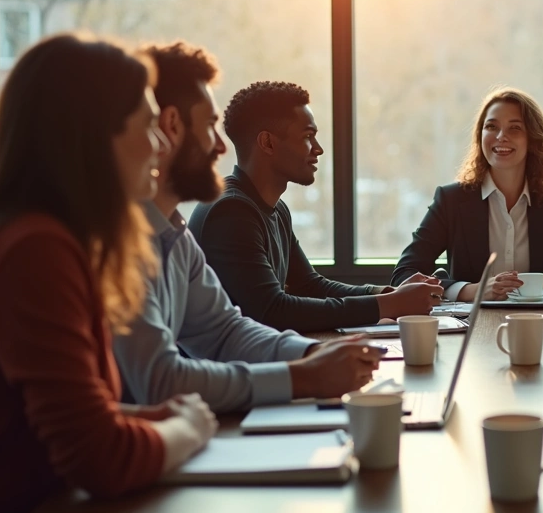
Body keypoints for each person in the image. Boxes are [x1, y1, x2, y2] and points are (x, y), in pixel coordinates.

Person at [0, 34, 217, 513]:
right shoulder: (32, 250)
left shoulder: (36, 237)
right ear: (95, 135)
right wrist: (188, 432)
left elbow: (42, 417)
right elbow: (97, 459)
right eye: (148, 126)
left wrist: (146, 418)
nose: (159, 145)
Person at [114, 43, 380, 414]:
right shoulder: (115, 245)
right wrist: (304, 376)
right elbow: (158, 382)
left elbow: (226, 331)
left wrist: (313, 353)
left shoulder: (175, 235)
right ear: (172, 126)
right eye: (210, 126)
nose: (222, 147)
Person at [189, 81, 443, 334]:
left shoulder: (275, 209)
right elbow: (271, 311)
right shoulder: (231, 213)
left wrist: (387, 293)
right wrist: (387, 305)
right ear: (267, 143)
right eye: (308, 137)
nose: (318, 149)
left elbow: (309, 285)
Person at [391, 87, 543, 301]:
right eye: (491, 126)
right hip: (470, 331)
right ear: (480, 136)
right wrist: (474, 290)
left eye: (515, 128)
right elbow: (404, 274)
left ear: (533, 140)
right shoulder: (451, 201)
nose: (501, 136)